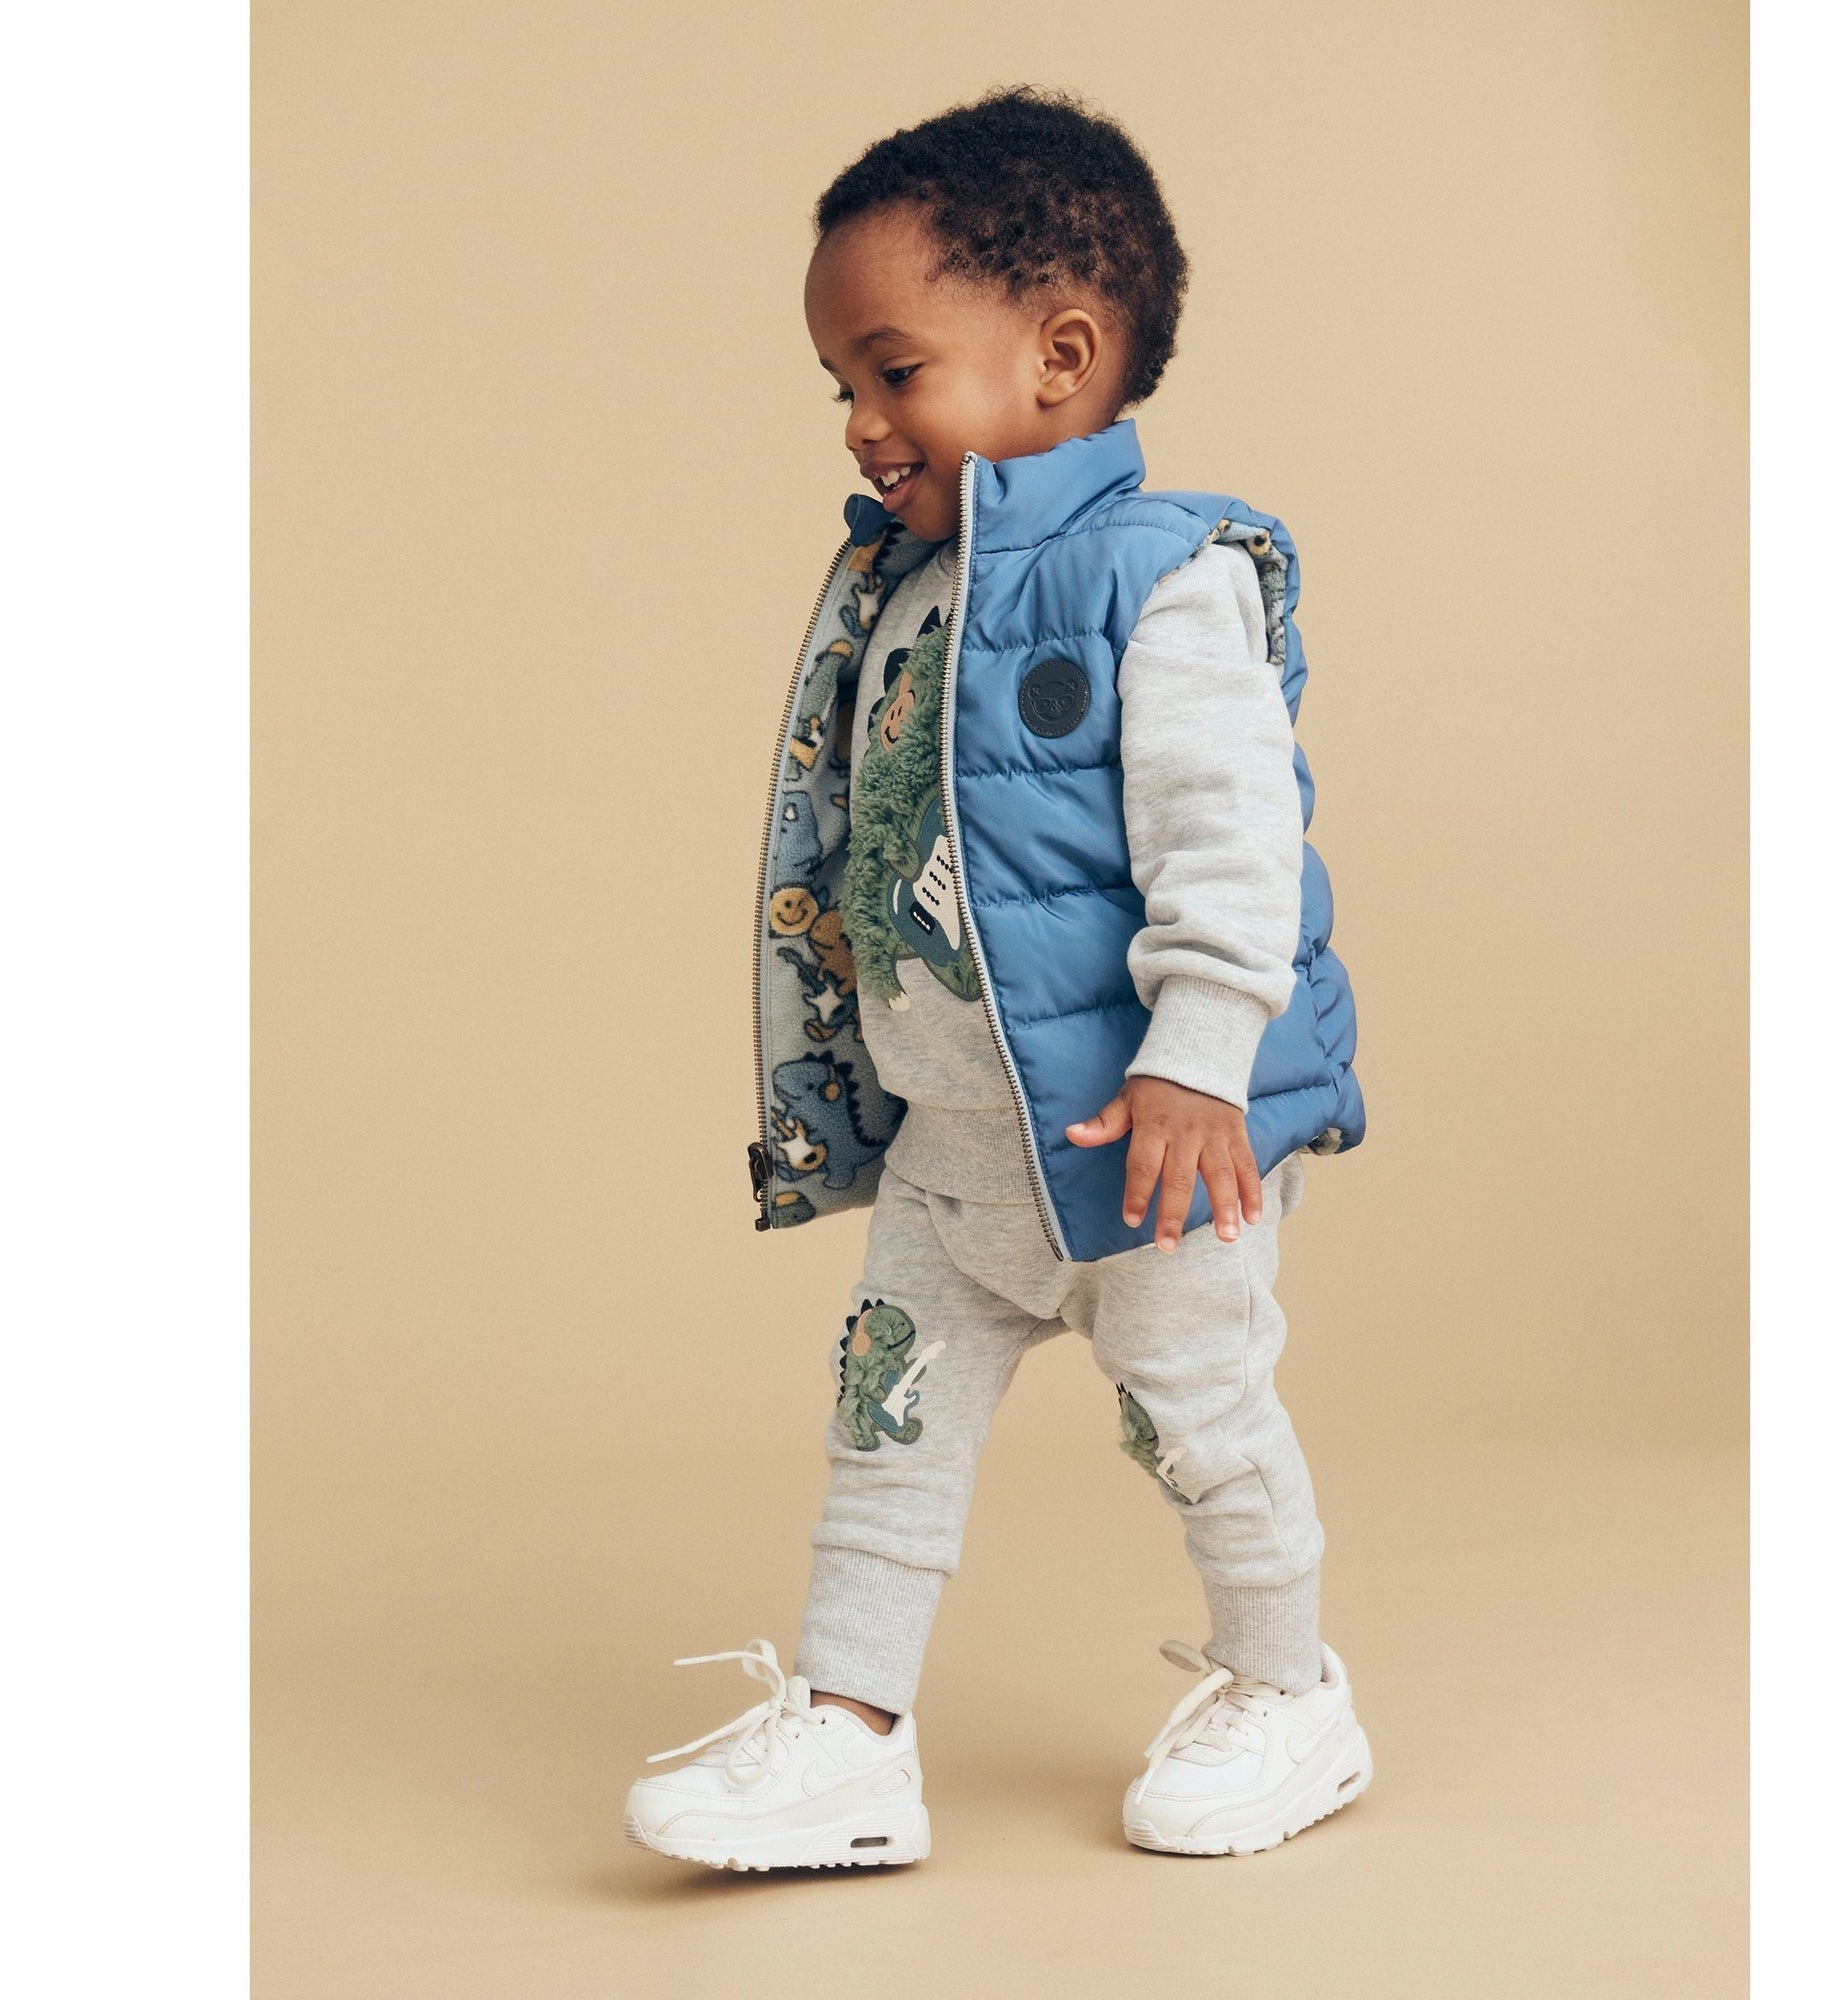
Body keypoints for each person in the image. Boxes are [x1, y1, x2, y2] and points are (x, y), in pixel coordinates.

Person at [626, 86, 1369, 1871]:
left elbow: (1232, 841)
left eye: (895, 372)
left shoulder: (1160, 581)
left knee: (1203, 1422)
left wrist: (1199, 1059)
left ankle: (1293, 1695)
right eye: (843, 386)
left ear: (1061, 354)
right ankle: (852, 1737)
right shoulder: (907, 582)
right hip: (958, 1147)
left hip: (1146, 1145)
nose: (862, 423)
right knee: (885, 1428)